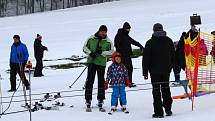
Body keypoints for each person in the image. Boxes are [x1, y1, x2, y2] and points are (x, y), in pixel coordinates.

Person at [142, 23, 175, 118]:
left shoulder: (150, 43)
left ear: (154, 30)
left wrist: (145, 72)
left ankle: (158, 112)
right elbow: (173, 55)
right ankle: (168, 109)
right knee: (166, 89)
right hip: (166, 70)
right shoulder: (169, 41)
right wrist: (170, 67)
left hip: (154, 71)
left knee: (156, 91)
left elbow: (146, 59)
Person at [83, 25, 114, 111]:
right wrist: (90, 53)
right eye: (102, 32)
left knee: (101, 81)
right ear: (99, 31)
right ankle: (88, 99)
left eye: (105, 32)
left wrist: (103, 53)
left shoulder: (108, 41)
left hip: (101, 63)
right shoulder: (91, 38)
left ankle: (101, 99)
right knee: (90, 80)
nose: (103, 33)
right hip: (91, 62)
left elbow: (112, 52)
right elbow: (84, 47)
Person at [114, 22, 144, 87]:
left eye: (129, 29)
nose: (129, 30)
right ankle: (121, 82)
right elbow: (116, 45)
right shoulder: (119, 35)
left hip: (127, 55)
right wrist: (121, 53)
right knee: (122, 69)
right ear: (124, 28)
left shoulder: (126, 35)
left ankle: (129, 82)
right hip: (121, 56)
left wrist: (140, 45)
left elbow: (132, 41)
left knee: (130, 68)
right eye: (127, 29)